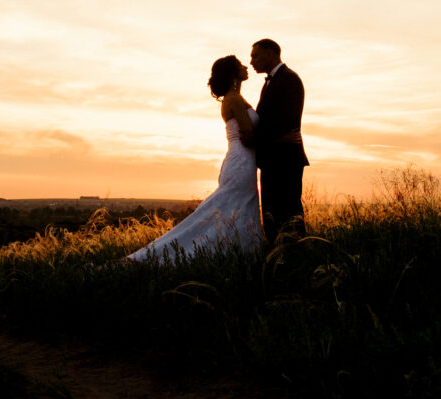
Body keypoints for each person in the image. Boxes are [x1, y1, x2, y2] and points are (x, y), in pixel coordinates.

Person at [126, 55, 263, 262]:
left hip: (242, 160)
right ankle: (231, 252)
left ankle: (238, 251)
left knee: (238, 206)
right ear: (234, 73)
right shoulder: (233, 99)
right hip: (241, 160)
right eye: (241, 65)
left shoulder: (235, 97)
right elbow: (248, 135)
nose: (246, 67)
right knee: (238, 205)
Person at [250, 39, 309, 243]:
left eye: (255, 56)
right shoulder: (271, 82)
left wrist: (254, 138)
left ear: (270, 53)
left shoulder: (289, 79)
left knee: (289, 217)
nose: (251, 61)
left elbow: (284, 121)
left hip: (285, 160)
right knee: (272, 217)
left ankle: (295, 259)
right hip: (271, 159)